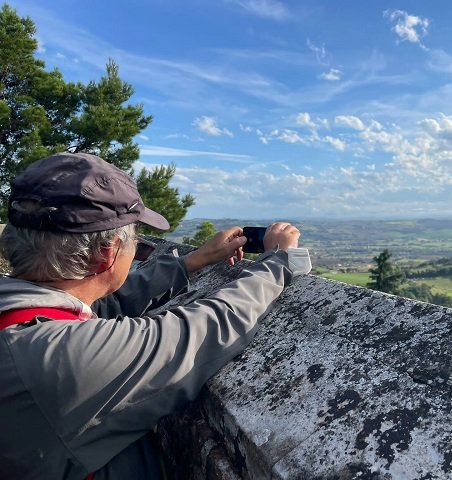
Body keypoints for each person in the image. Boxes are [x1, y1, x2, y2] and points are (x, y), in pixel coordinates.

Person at [0, 152, 311, 479]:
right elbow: (204, 329)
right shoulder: (58, 358)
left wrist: (195, 260)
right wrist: (278, 262)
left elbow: (107, 302)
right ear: (108, 254)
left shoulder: (20, 313)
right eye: (133, 238)